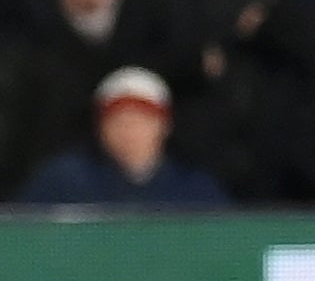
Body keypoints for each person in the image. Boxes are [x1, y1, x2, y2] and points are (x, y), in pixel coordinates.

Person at [16, 67, 229, 210]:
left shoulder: (194, 189)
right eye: (118, 121)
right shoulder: (63, 182)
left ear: (164, 126)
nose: (129, 131)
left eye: (142, 120)